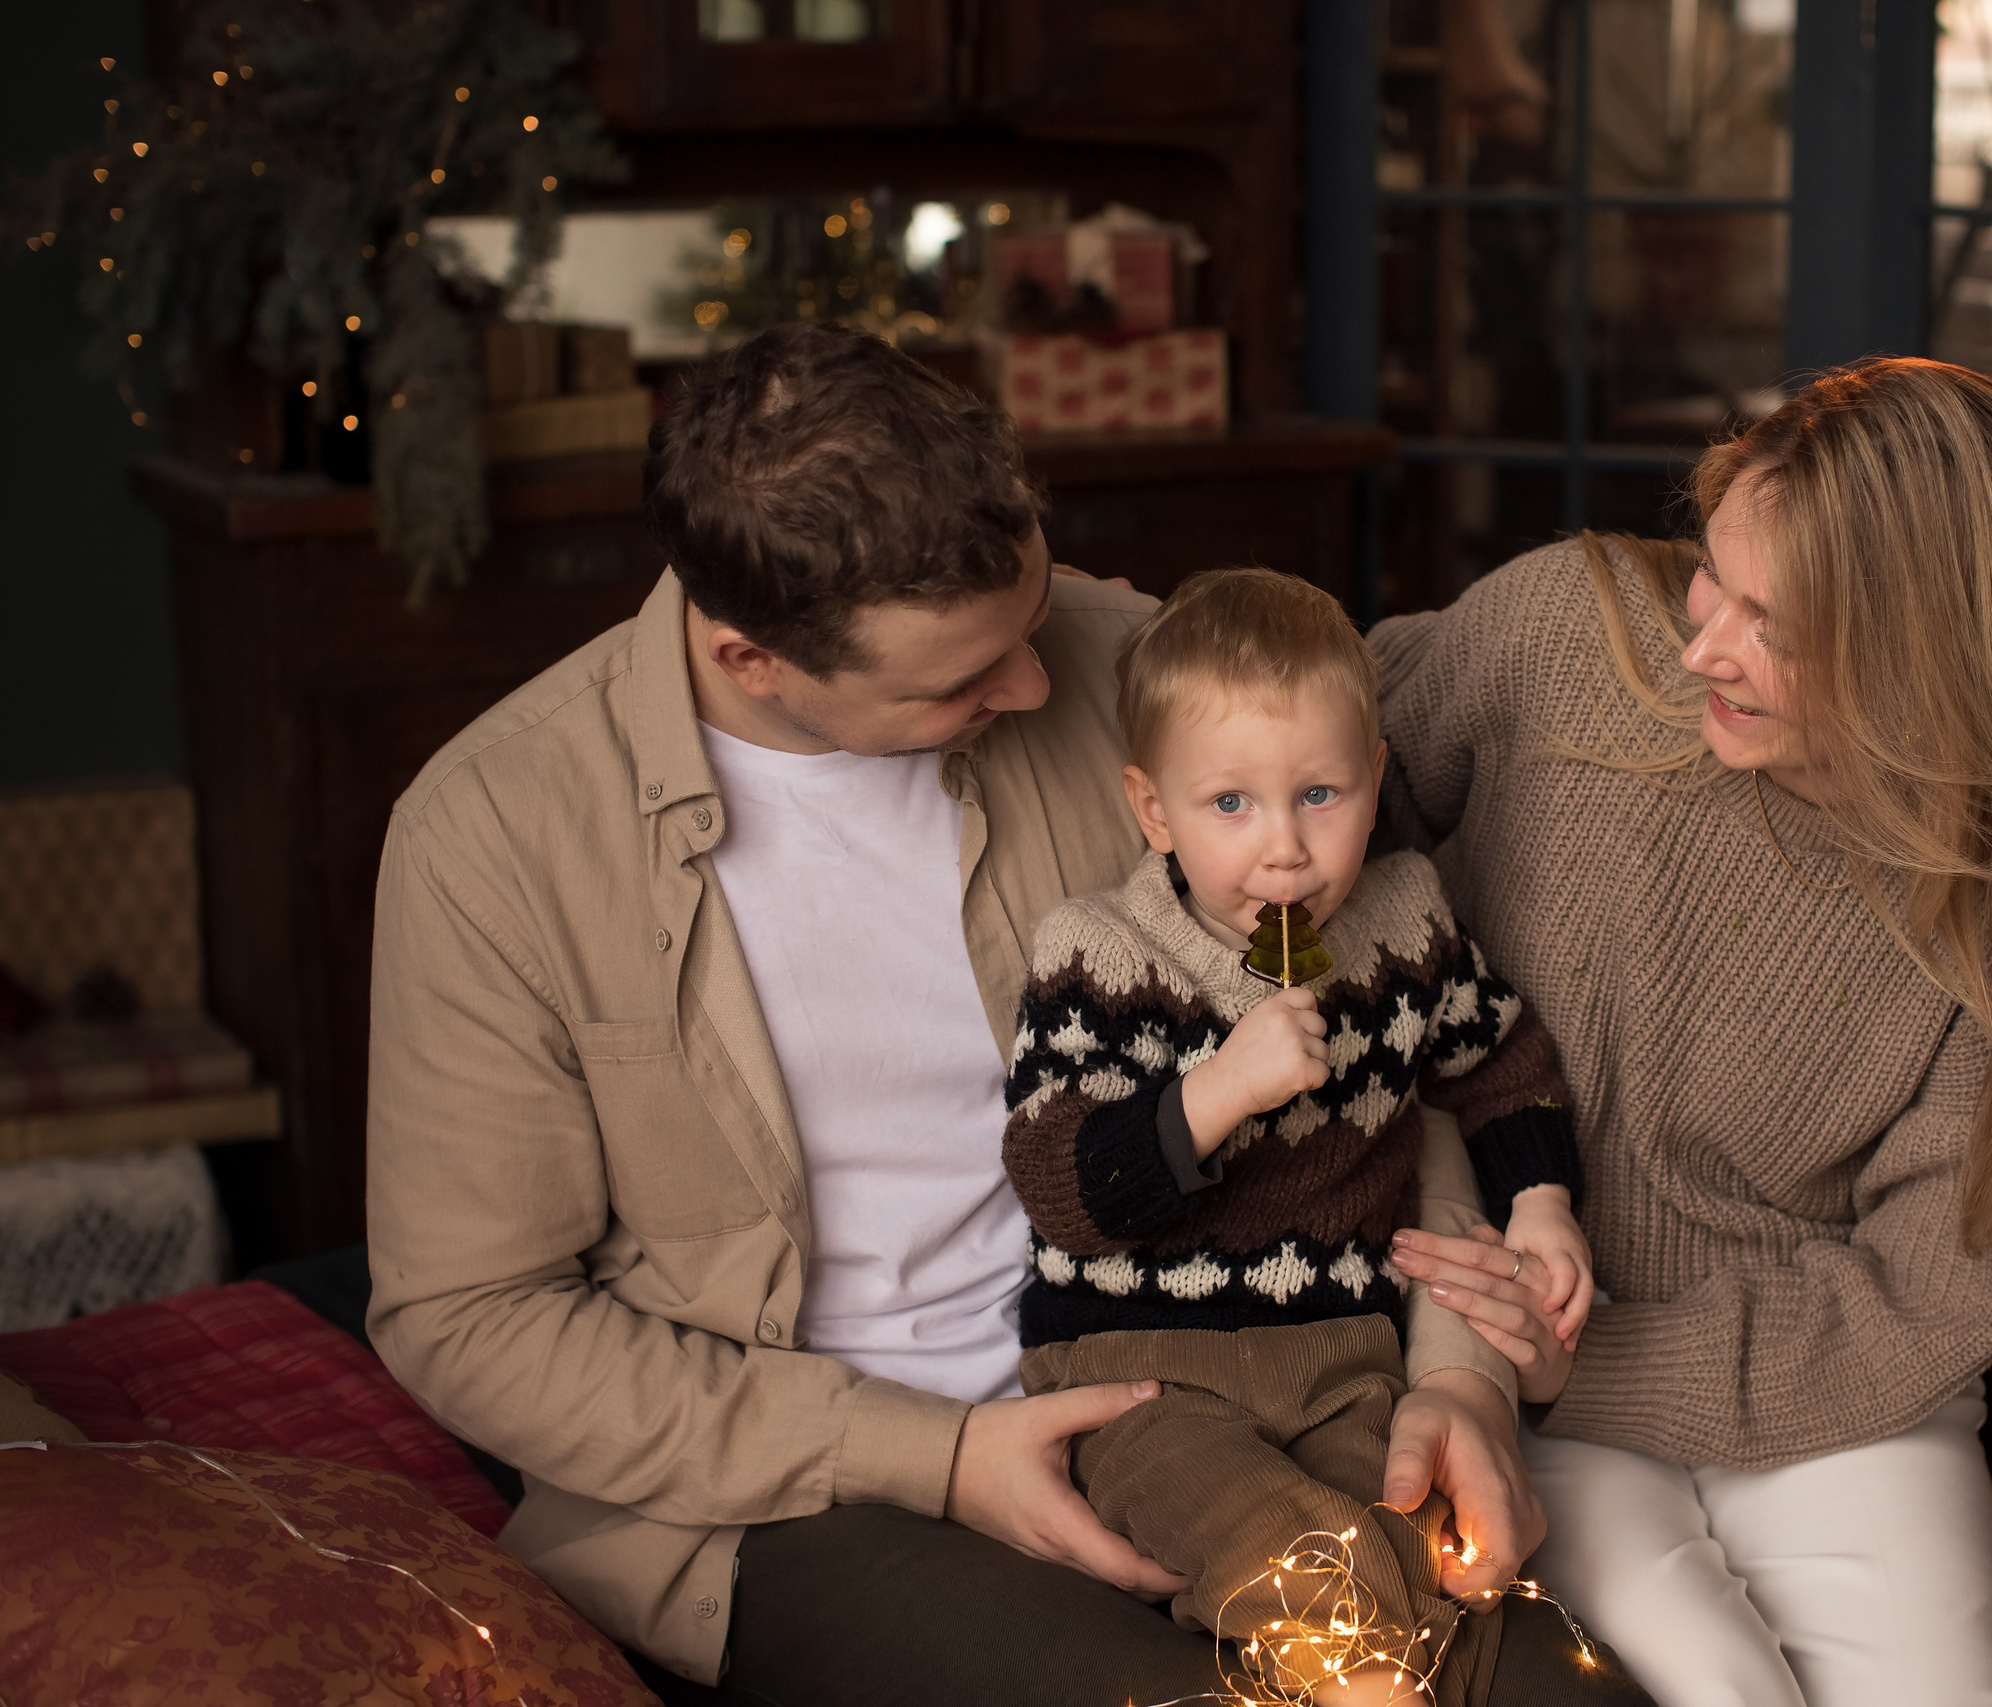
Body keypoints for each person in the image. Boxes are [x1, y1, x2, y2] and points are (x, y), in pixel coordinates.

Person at [364, 323, 1643, 1706]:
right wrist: (939, 1457)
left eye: (1029, 621)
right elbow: (471, 1313)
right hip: (809, 1488)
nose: (1035, 690)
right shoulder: (496, 836)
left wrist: (1462, 1378)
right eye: (958, 684)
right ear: (751, 658)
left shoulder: (1138, 674)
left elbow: (1392, 1041)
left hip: (1230, 1369)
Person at [1376, 358, 1992, 1707]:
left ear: (1929, 660)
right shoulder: (1567, 631)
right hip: (1507, 1338)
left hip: (1827, 1382)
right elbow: (1329, 779)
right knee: (1722, 1691)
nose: (1700, 647)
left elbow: (1925, 1292)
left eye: (1771, 623)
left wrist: (1601, 1355)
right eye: (1711, 576)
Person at [1001, 569, 1593, 1706]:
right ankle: (1364, 1683)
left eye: (1320, 793)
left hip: (1341, 1358)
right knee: (1265, 1534)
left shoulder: (1407, 918)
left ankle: (1392, 1665)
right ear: (1153, 809)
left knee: (1426, 1541)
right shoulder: (1099, 955)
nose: (1284, 851)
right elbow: (1059, 1184)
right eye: (1230, 805)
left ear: (1373, 781)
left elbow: (1503, 1063)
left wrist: (1541, 1204)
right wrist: (1215, 1093)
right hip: (1142, 1371)